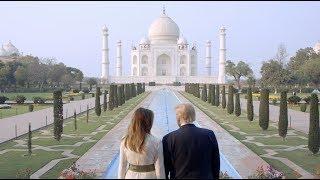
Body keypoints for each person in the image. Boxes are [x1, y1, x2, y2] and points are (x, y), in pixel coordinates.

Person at [162, 103, 220, 179]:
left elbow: (165, 167)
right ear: (193, 115)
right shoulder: (209, 134)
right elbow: (216, 162)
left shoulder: (168, 138)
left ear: (178, 117)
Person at [118, 107, 165, 179]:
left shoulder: (125, 141)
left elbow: (122, 166)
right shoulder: (156, 142)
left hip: (130, 176)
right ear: (148, 123)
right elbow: (159, 168)